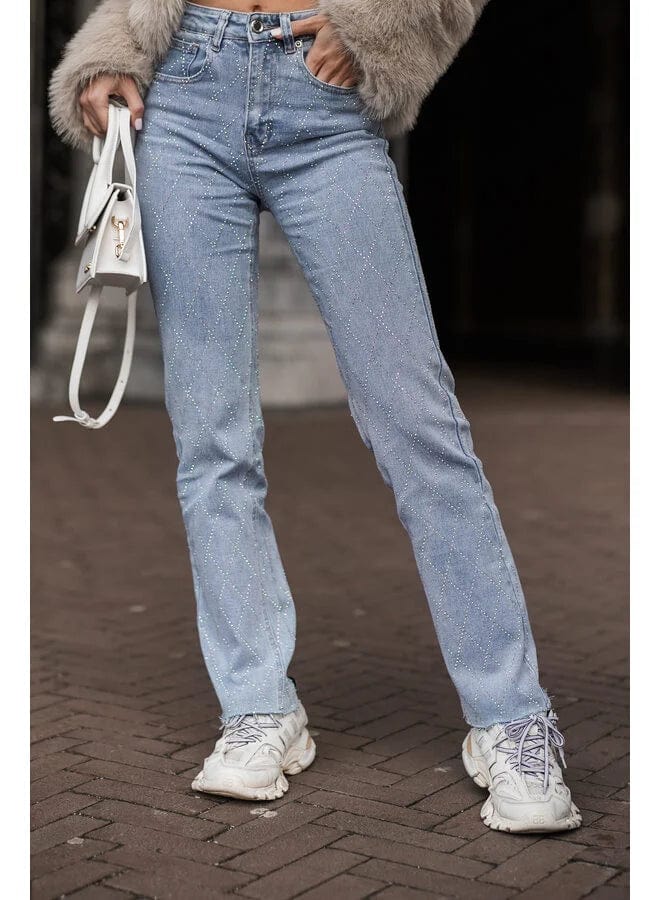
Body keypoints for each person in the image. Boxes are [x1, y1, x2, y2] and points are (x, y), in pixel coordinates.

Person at [48, 0, 582, 833]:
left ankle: (512, 717)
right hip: (183, 94)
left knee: (421, 429)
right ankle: (257, 707)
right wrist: (111, 47)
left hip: (325, 105)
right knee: (212, 441)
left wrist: (383, 24)